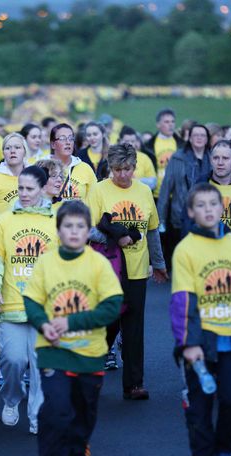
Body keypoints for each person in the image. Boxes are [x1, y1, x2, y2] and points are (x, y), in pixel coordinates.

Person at [170, 183, 231, 456]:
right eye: (201, 205)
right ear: (190, 211)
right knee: (199, 408)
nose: (208, 210)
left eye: (214, 204)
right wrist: (190, 342)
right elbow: (183, 302)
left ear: (222, 208)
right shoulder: (185, 249)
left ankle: (224, 450)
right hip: (200, 341)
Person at [23, 200, 123, 456]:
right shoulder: (46, 262)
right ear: (58, 231)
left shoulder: (99, 264)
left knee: (81, 424)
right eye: (68, 226)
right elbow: (31, 302)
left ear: (89, 230)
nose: (75, 231)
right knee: (55, 416)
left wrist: (69, 322)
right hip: (53, 352)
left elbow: (112, 305)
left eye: (81, 226)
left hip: (89, 357)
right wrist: (45, 325)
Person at [86, 143, 167, 399]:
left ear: (135, 167)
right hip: (108, 270)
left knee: (133, 328)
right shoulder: (99, 191)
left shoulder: (144, 191)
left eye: (128, 169)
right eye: (118, 169)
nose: (123, 174)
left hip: (137, 270)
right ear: (110, 168)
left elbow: (152, 229)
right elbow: (88, 229)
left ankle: (134, 384)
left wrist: (160, 264)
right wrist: (115, 236)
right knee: (107, 324)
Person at [0, 166, 58, 434]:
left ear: (42, 188)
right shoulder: (5, 221)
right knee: (12, 361)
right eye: (20, 189)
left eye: (29, 189)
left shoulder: (54, 221)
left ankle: (37, 415)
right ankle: (12, 399)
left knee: (41, 365)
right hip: (11, 305)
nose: (24, 194)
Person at [158, 124, 211, 269]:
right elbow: (165, 188)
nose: (199, 138)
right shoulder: (178, 158)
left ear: (207, 139)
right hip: (181, 213)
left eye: (202, 135)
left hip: (207, 214)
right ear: (190, 138)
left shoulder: (213, 159)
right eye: (196, 135)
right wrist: (160, 218)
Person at [49, 123, 97, 202]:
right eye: (62, 138)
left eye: (71, 138)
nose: (68, 142)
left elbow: (95, 200)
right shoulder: (42, 167)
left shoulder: (85, 168)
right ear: (53, 144)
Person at [144, 108, 185, 196]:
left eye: (172, 121)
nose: (171, 125)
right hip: (156, 194)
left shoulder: (182, 144)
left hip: (177, 195)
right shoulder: (148, 146)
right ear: (158, 125)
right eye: (166, 122)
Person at [0, 133, 28, 214]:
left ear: (25, 151)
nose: (12, 151)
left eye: (17, 147)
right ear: (3, 153)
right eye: (7, 148)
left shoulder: (34, 175)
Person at [116, 126, 157, 190]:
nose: (130, 144)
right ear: (119, 141)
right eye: (127, 141)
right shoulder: (113, 158)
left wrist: (135, 181)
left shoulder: (144, 158)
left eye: (132, 141)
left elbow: (153, 183)